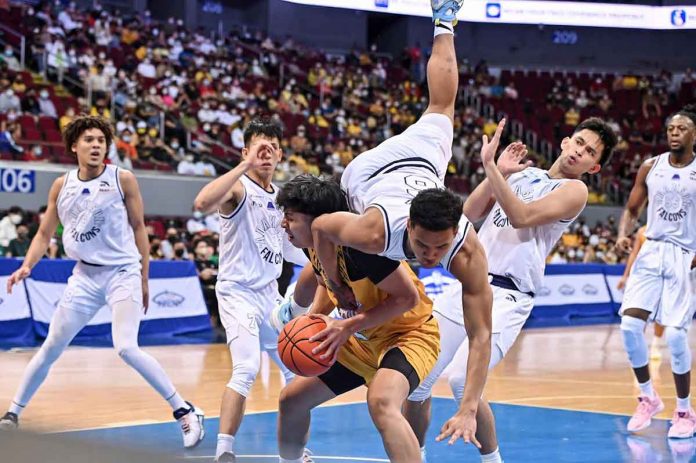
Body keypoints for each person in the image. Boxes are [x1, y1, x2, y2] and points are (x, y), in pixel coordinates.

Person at [308, 0, 493, 445]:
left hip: (425, 162)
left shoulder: (465, 251)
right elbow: (320, 229)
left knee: (444, 105)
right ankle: (301, 302)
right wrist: (335, 287)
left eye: (439, 248)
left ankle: (444, 19)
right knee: (320, 217)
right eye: (424, 247)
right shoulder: (374, 231)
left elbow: (481, 332)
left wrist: (469, 407)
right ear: (409, 229)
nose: (432, 256)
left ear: (455, 233)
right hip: (370, 174)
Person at [403, 117, 617, 462]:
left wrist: (491, 167)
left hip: (509, 294)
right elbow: (467, 214)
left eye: (590, 151)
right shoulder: (521, 174)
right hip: (469, 283)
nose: (580, 151)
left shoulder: (575, 191)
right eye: (579, 141)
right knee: (416, 382)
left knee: (461, 382)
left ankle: (493, 460)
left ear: (594, 167)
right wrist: (499, 172)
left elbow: (521, 216)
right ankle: (416, 456)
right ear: (565, 141)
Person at [0, 116, 204, 448]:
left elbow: (140, 229)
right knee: (51, 347)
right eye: (89, 140)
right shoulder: (60, 186)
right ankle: (11, 415)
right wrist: (26, 266)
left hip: (122, 272)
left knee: (125, 346)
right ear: (73, 146)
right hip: (84, 276)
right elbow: (43, 233)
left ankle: (185, 411)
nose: (96, 145)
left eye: (101, 140)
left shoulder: (123, 179)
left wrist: (145, 278)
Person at [276, 174, 440, 463]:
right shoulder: (313, 244)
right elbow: (326, 283)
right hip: (364, 340)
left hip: (409, 335)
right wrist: (310, 321)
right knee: (292, 400)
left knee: (381, 401)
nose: (283, 224)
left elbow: (407, 298)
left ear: (317, 220)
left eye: (290, 217)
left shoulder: (361, 247)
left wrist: (348, 325)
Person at [193, 117, 308, 463]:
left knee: (297, 374)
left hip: (269, 296)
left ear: (280, 154)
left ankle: (295, 453)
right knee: (245, 368)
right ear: (246, 151)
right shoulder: (239, 189)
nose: (265, 153)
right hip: (236, 293)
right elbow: (202, 203)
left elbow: (293, 251)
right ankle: (223, 451)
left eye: (272, 147)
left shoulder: (282, 200)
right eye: (259, 147)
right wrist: (244, 165)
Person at [616, 104, 696, 438]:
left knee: (676, 336)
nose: (674, 133)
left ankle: (684, 410)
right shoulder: (651, 167)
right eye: (670, 129)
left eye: (681, 128)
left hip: (684, 255)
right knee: (629, 326)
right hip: (651, 250)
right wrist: (623, 232)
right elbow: (633, 208)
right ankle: (648, 397)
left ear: (694, 134)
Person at [617, 225, 666, 361]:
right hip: (644, 276)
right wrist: (625, 276)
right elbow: (634, 254)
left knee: (660, 313)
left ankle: (656, 344)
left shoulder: (671, 230)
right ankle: (639, 346)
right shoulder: (642, 232)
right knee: (638, 314)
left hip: (663, 276)